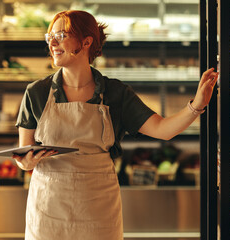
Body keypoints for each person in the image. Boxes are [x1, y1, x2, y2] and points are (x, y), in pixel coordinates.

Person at [13, 10, 218, 240]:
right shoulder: (36, 92)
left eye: (60, 34)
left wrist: (197, 105)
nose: (52, 42)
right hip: (49, 208)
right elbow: (24, 153)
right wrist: (27, 162)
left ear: (86, 41)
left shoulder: (115, 93)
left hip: (97, 208)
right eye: (49, 36)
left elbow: (163, 130)